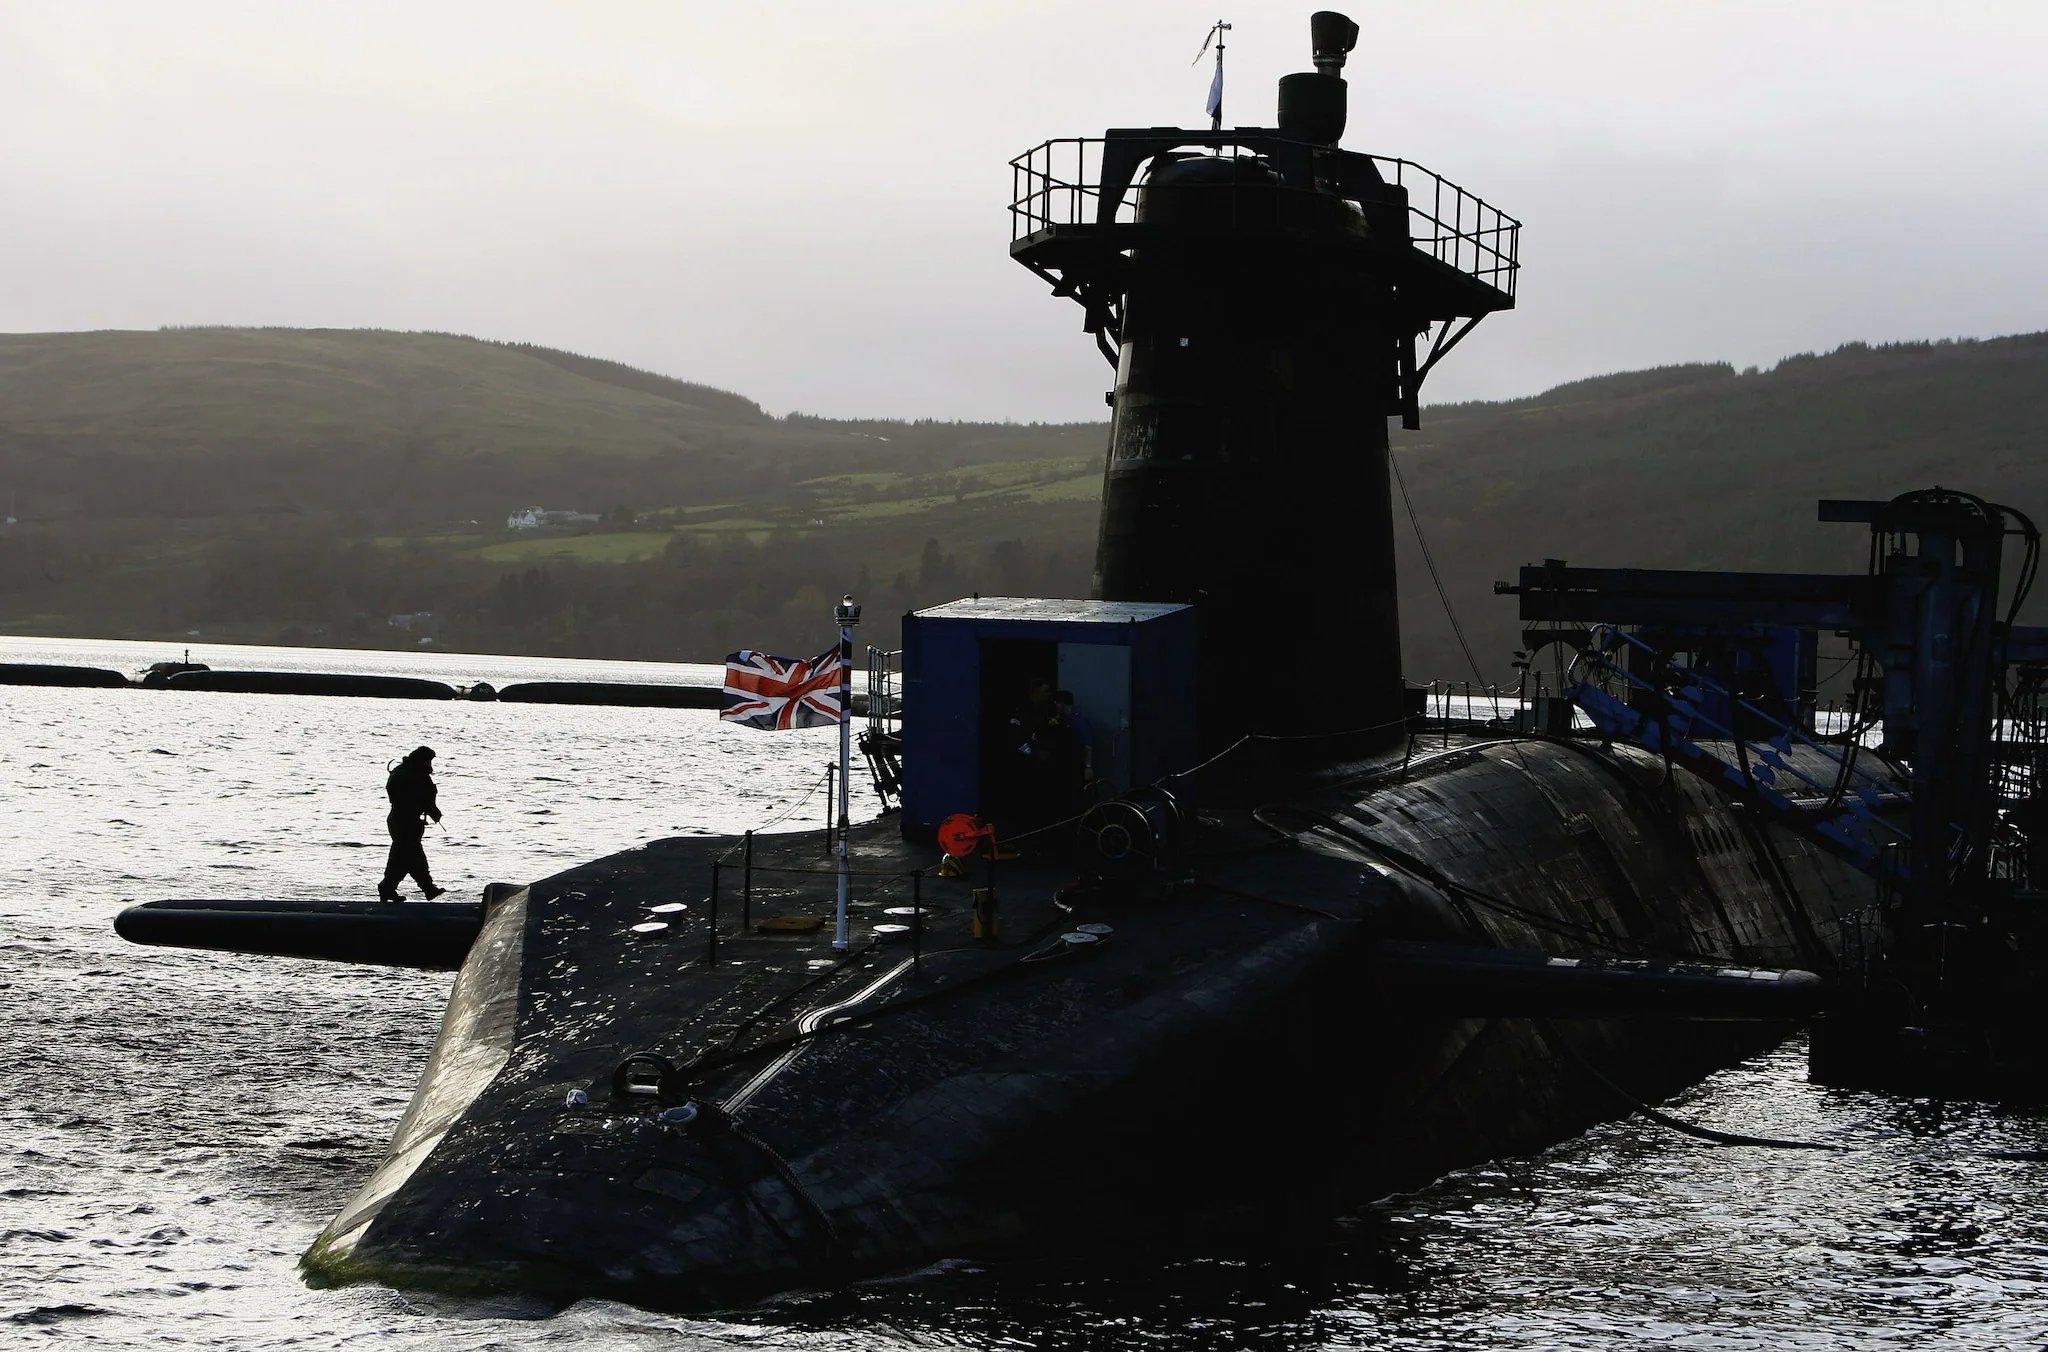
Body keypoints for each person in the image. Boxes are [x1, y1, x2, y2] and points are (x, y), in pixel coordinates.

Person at [378, 745, 445, 902]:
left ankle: (388, 888)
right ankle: (427, 888)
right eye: (429, 761)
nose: (430, 765)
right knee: (412, 856)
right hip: (404, 821)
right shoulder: (408, 774)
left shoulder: (408, 772)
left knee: (403, 858)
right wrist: (429, 809)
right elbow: (412, 798)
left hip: (406, 821)